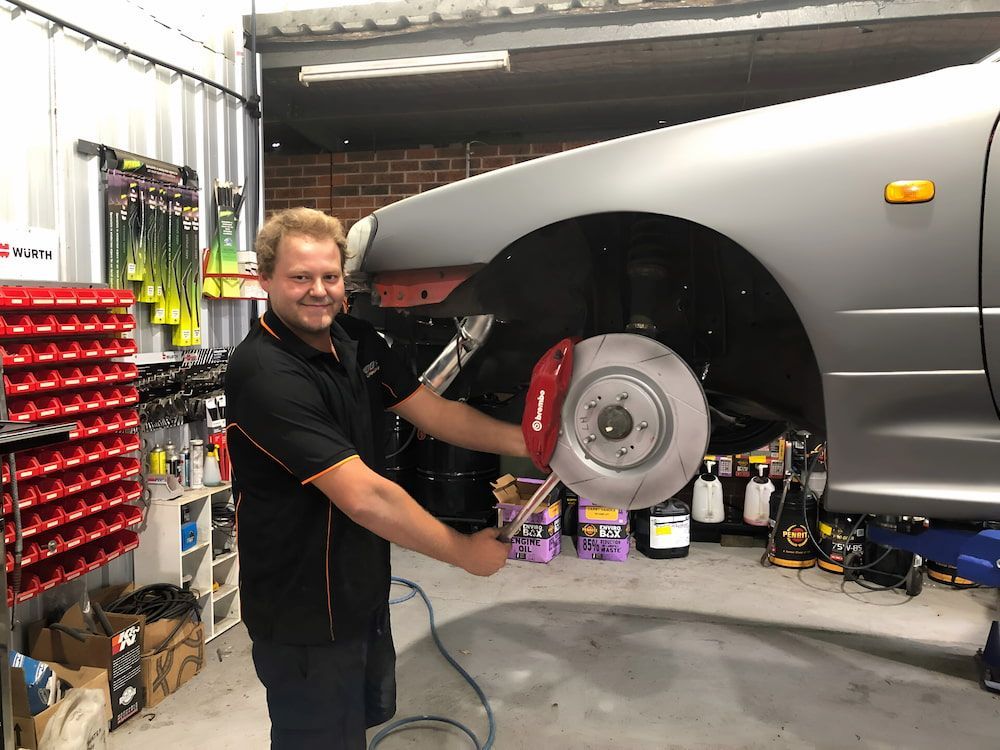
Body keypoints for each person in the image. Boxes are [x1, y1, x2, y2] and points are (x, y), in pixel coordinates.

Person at [225, 207, 528, 749]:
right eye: (300, 277)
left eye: (330, 276)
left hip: (357, 587)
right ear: (265, 279)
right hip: (301, 611)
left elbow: (434, 412)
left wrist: (531, 442)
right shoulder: (265, 372)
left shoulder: (355, 338)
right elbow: (365, 497)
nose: (318, 291)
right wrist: (463, 552)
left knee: (350, 733)